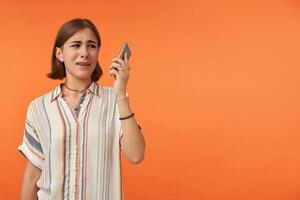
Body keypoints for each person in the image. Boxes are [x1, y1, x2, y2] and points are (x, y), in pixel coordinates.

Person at [18, 18, 145, 200]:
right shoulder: (39, 108)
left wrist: (120, 94)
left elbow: (136, 155)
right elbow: (32, 175)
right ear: (60, 54)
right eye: (76, 45)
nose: (84, 53)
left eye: (91, 46)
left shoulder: (114, 101)